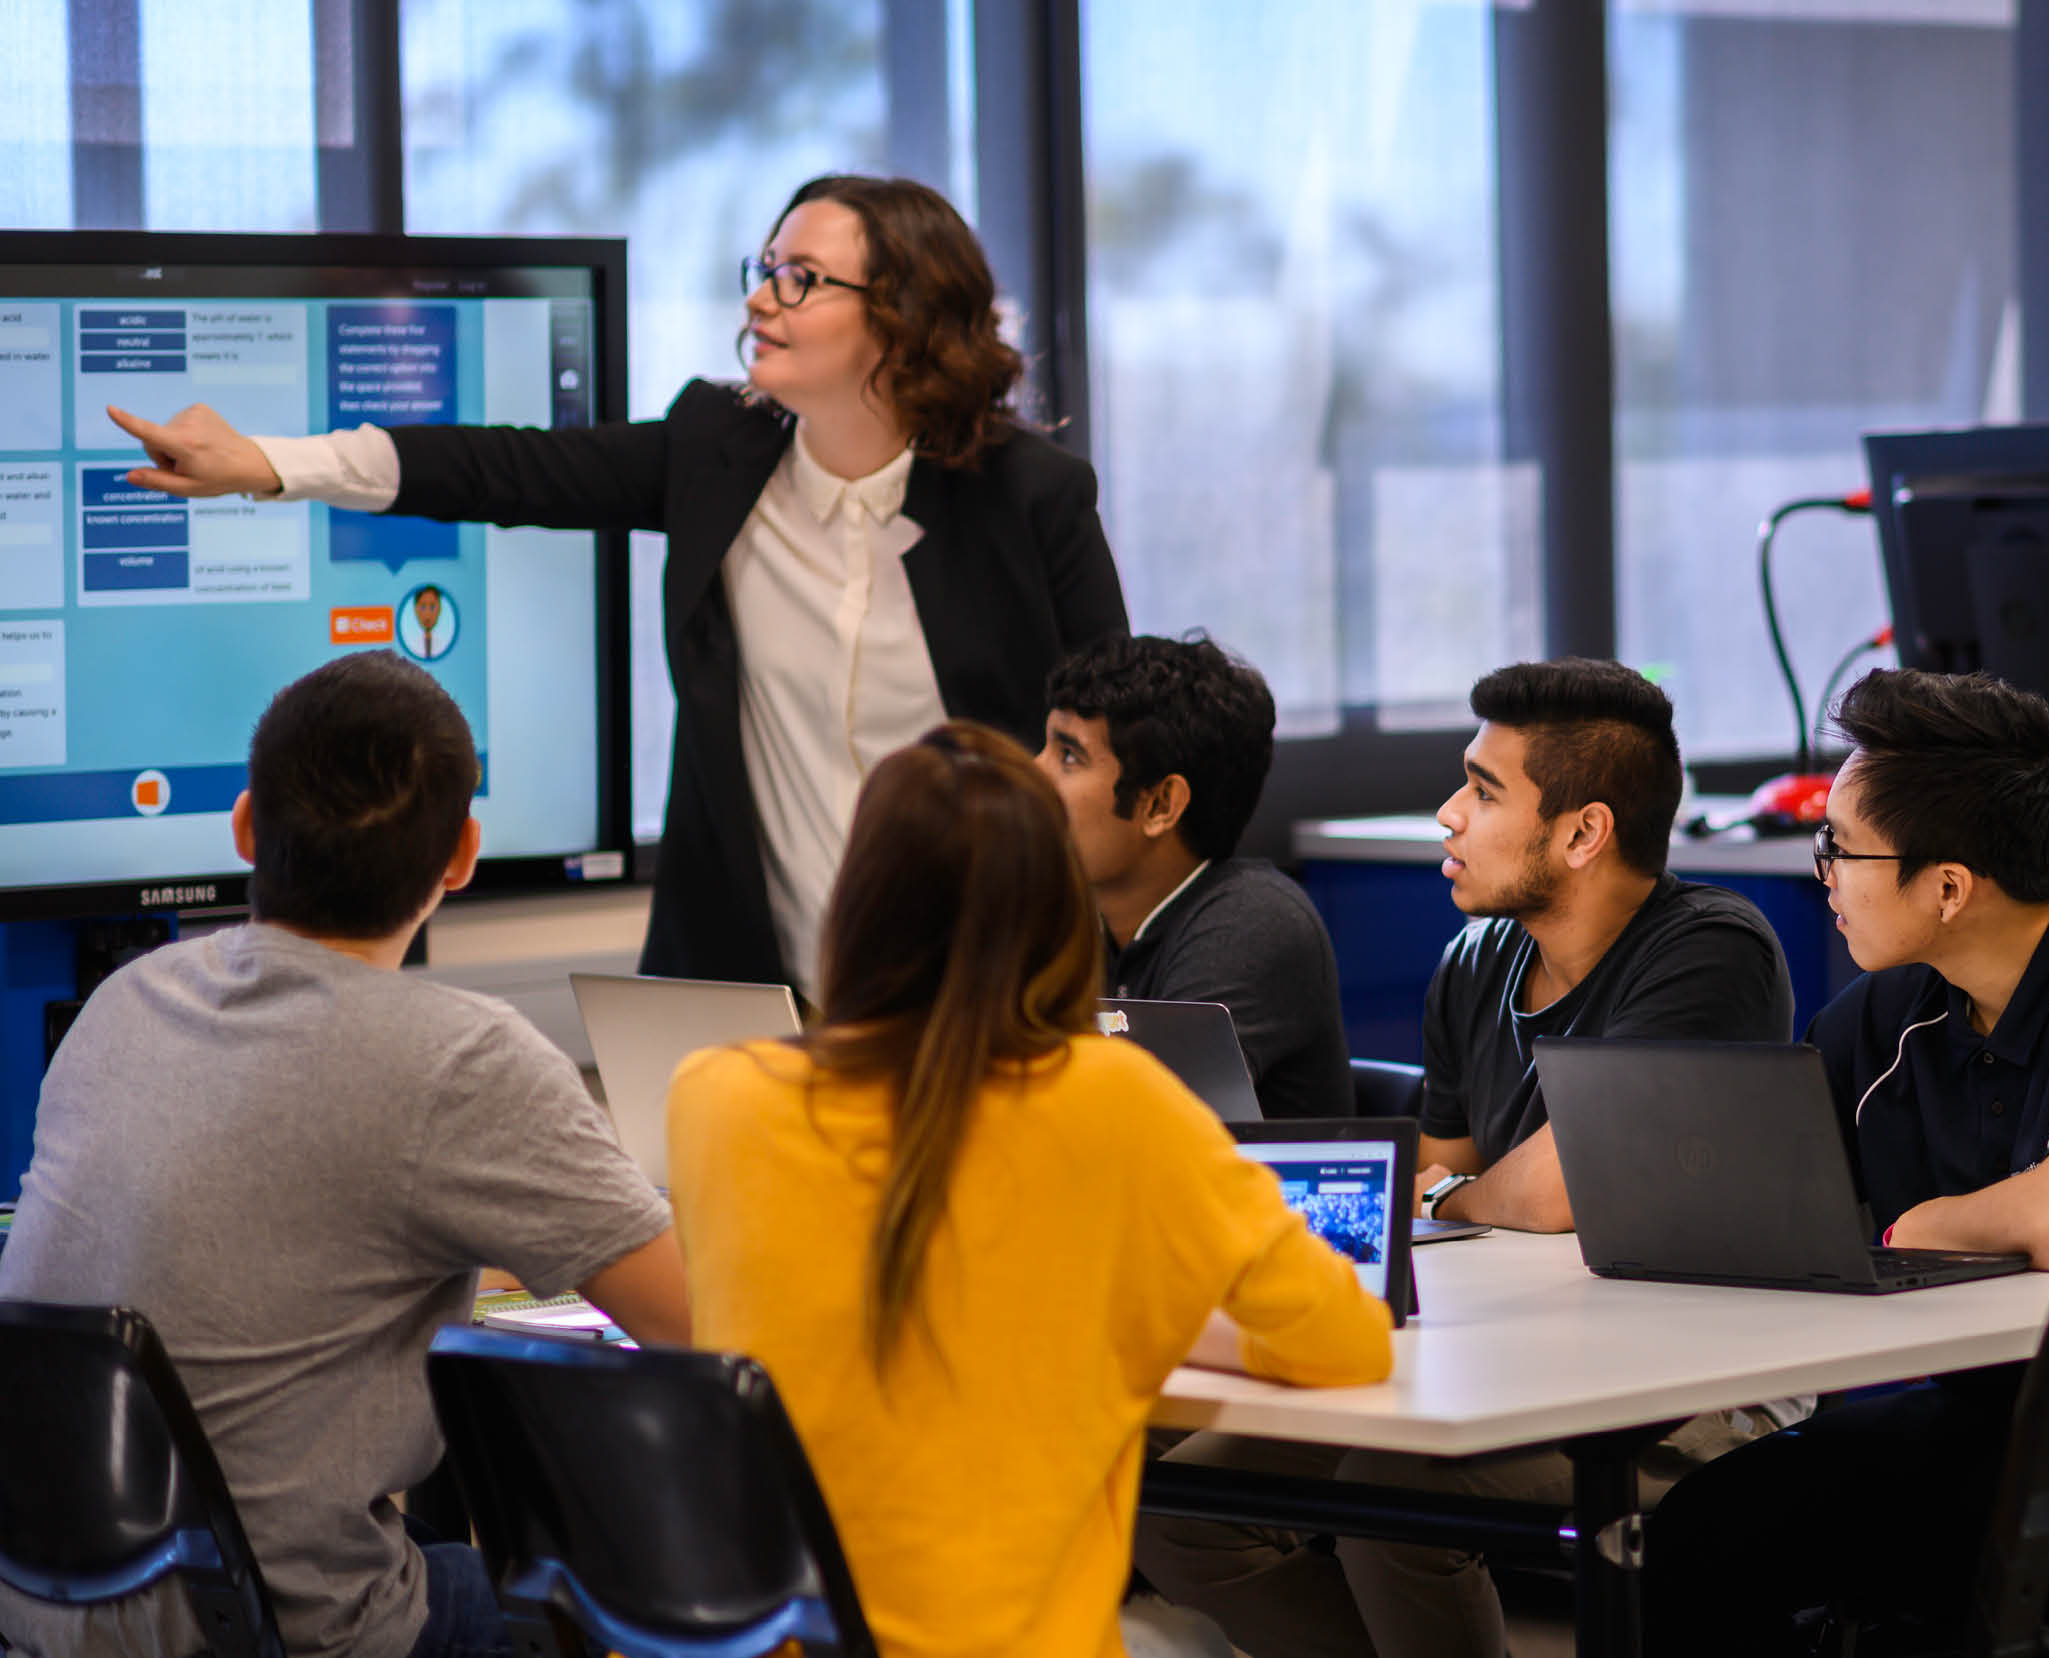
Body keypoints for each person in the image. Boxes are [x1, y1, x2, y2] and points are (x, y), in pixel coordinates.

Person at [106, 174, 1129, 988]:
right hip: (755, 991)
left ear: (901, 319)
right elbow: (501, 467)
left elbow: (1118, 746)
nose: (760, 297)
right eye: (764, 266)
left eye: (802, 278)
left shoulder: (1028, 495)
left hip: (984, 989)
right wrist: (272, 465)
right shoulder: (717, 451)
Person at [0, 651, 687, 1658]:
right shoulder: (463, 1059)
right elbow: (700, 1322)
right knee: (608, 1608)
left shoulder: (123, 1002)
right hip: (274, 1629)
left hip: (46, 1598)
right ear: (462, 856)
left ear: (243, 826)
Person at [664, 719, 1393, 1658]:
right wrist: (1149, 1318)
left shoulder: (712, 1096)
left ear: (856, 900)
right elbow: (1345, 1339)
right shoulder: (1114, 1099)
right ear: (1057, 906)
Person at [1134, 657, 1797, 1658]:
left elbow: (1565, 1186)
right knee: (1184, 1506)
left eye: (1483, 791)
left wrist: (1462, 1191)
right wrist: (1468, 1191)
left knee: (1385, 1494)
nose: (1448, 814)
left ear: (1583, 832)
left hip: (1696, 1384)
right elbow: (1441, 1189)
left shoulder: (1710, 948)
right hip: (1510, 1346)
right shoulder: (1476, 956)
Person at [1641, 668, 2049, 1653]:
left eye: (1842, 846)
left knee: (2002, 1527)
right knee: (1705, 1527)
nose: (1821, 868)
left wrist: (1916, 1227)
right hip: (2001, 1431)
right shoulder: (1888, 1013)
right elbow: (1746, 1183)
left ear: (1948, 885)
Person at [1038, 633, 1353, 1119]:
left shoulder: (1253, 923)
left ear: (1161, 805)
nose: (1032, 773)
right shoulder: (1069, 916)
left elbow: (1140, 1128)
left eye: (1069, 757)